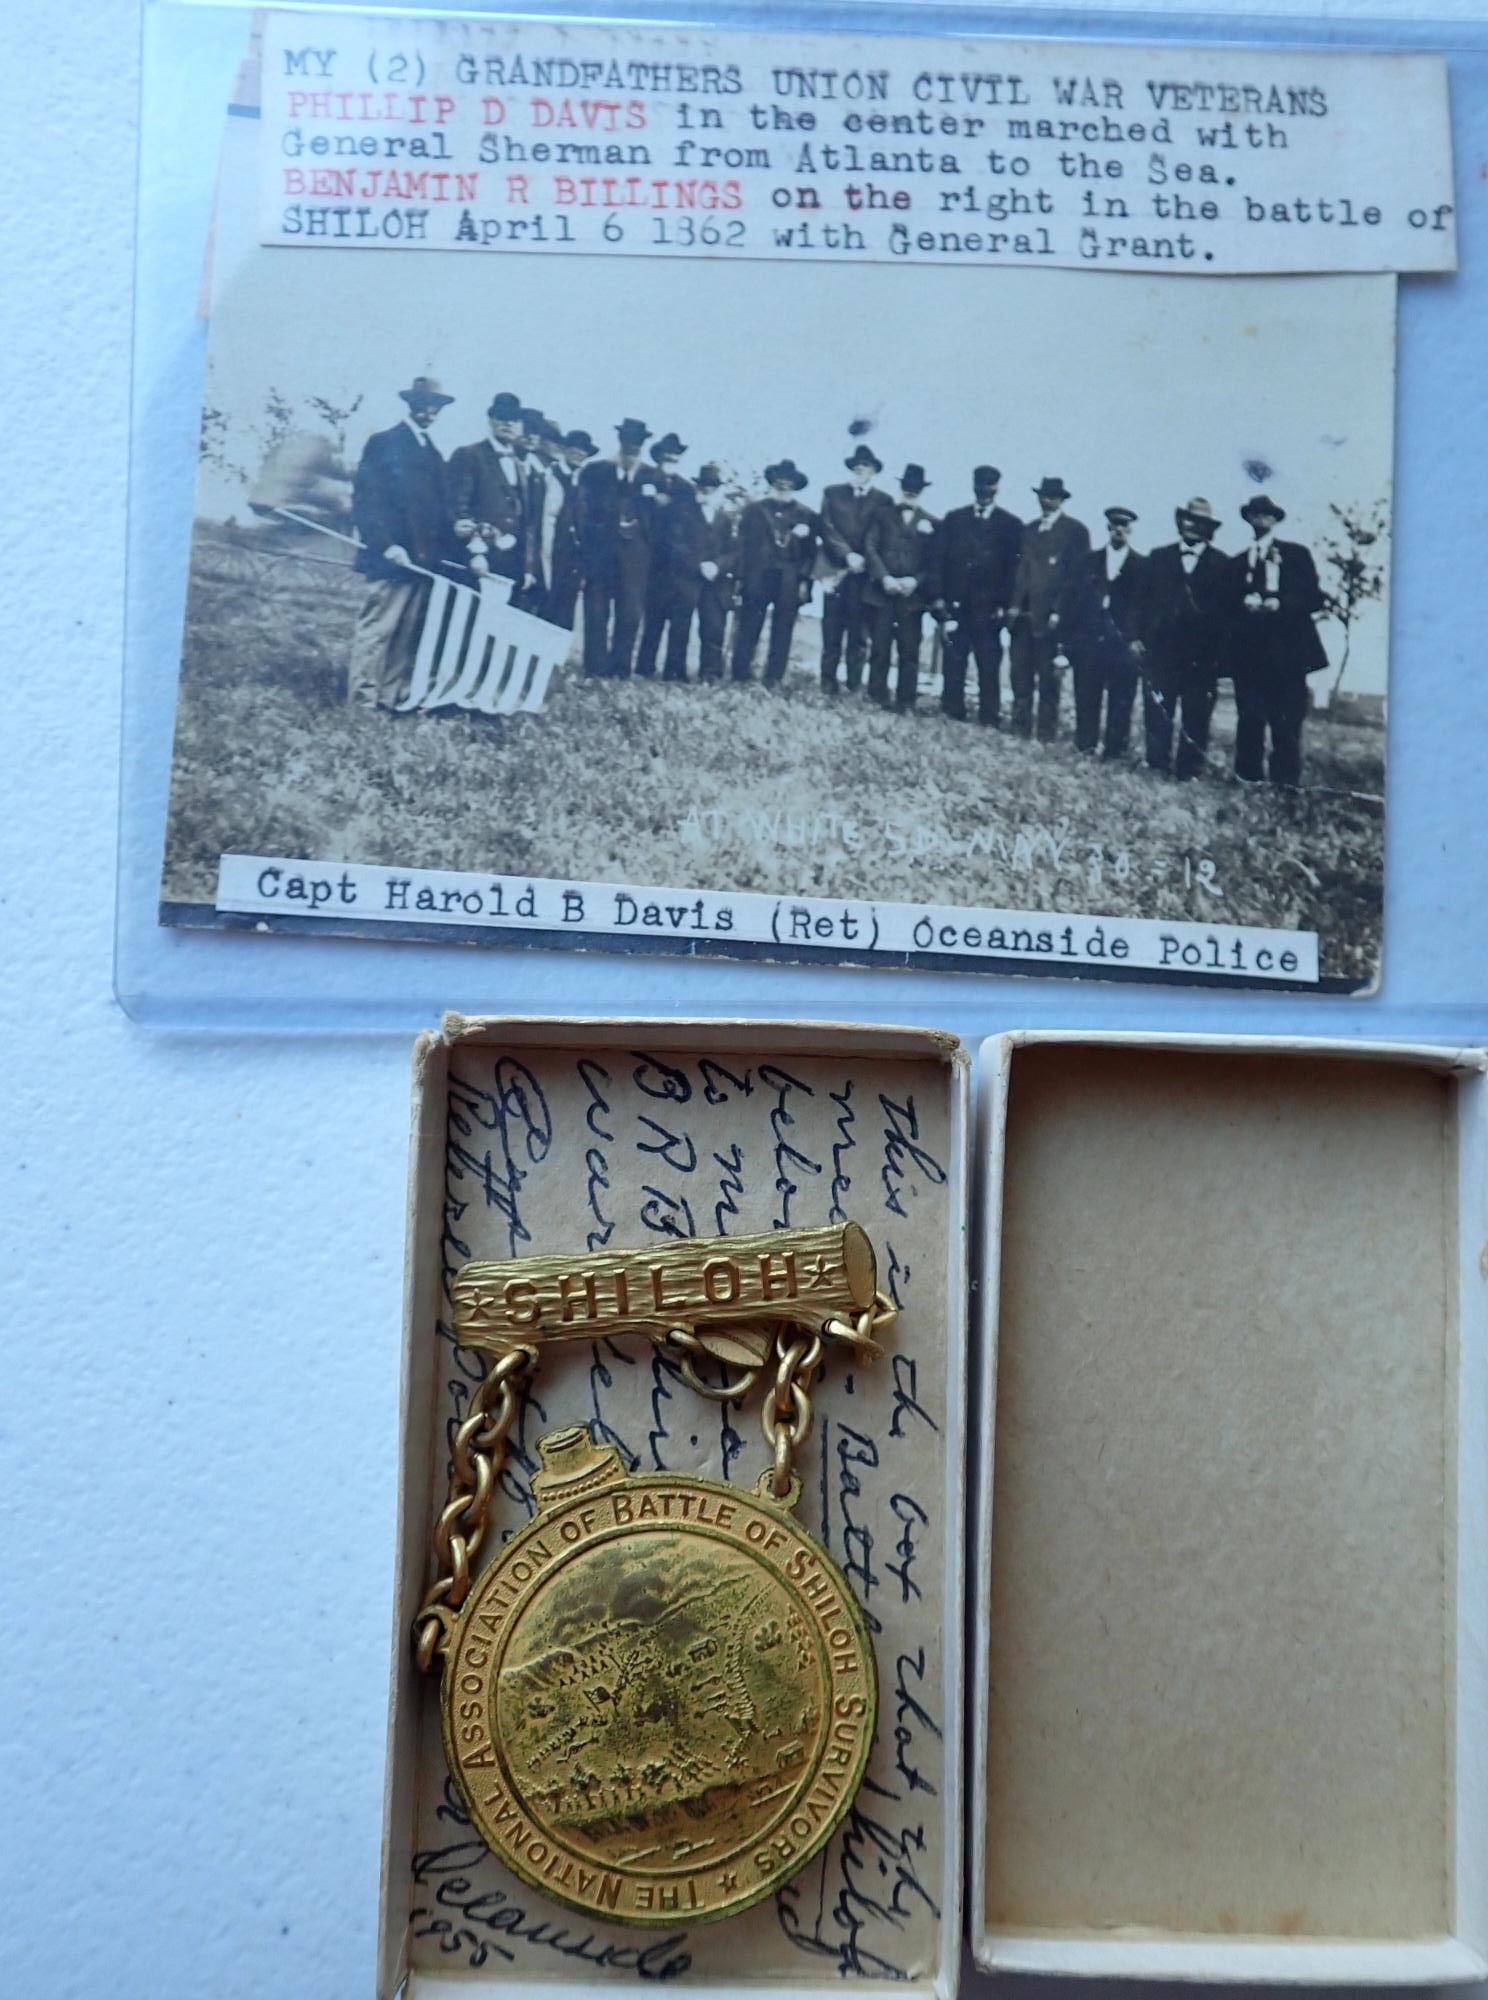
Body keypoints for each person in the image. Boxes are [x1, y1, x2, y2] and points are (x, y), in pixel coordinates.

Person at [348, 374, 456, 709]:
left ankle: (389, 697)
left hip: (422, 563)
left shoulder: (435, 454)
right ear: (410, 404)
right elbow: (367, 501)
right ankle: (362, 699)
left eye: (435, 407)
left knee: (406, 634)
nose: (429, 412)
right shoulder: (384, 443)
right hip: (391, 558)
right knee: (378, 629)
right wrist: (386, 544)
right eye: (423, 405)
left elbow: (441, 515)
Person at [1229, 495, 1328, 785]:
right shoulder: (1237, 563)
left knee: (1286, 720)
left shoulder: (1296, 554)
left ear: (1275, 519)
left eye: (1267, 514)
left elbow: (1313, 597)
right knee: (1249, 717)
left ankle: (1285, 783)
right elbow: (1224, 604)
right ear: (1248, 518)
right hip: (1249, 654)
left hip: (1287, 654)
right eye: (1255, 514)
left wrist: (1282, 604)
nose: (1261, 518)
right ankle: (1248, 777)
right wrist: (1242, 602)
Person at [1142, 496, 1230, 778]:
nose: (1193, 526)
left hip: (1200, 657)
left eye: (1200, 523)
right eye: (1189, 520)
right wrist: (1140, 638)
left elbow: (1227, 616)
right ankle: (1157, 764)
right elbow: (1141, 603)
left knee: (1196, 714)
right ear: (1180, 522)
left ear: (1209, 529)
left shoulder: (1222, 564)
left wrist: (1218, 656)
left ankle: (1189, 770)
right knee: (1158, 710)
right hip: (1162, 652)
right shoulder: (1158, 557)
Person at [937, 465, 1022, 724]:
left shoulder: (1010, 524)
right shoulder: (954, 519)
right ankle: (952, 710)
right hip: (958, 604)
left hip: (989, 608)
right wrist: (941, 600)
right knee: (954, 659)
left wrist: (1004, 604)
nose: (985, 491)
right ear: (973, 487)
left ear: (997, 488)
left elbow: (1013, 568)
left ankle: (989, 714)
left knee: (988, 662)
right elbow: (939, 562)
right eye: (981, 485)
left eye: (990, 486)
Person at [1009, 476, 1091, 741]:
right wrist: (1013, 607)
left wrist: (1060, 611)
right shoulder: (1029, 530)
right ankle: (1019, 729)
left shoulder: (1075, 531)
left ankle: (1045, 734)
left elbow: (1076, 579)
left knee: (1048, 679)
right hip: (1024, 616)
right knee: (1020, 675)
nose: (1047, 502)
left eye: (1053, 497)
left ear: (1061, 500)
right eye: (1043, 496)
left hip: (1053, 618)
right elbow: (1020, 571)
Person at [575, 418, 657, 677]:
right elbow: (582, 511)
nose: (631, 451)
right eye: (627, 445)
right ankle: (595, 668)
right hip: (600, 553)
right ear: (620, 443)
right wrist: (588, 546)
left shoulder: (653, 477)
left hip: (636, 557)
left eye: (636, 446)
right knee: (596, 610)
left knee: (630, 613)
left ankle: (620, 668)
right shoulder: (595, 471)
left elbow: (661, 518)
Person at [732, 460, 818, 685]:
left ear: (794, 486)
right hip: (757, 574)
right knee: (749, 624)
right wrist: (740, 577)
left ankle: (773, 677)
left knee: (783, 628)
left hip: (788, 577)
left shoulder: (806, 514)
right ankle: (740, 673)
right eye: (779, 482)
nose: (783, 487)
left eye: (788, 484)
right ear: (772, 483)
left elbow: (811, 553)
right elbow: (742, 545)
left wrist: (804, 581)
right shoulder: (755, 510)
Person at [1074, 506, 1149, 758]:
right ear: (1108, 527)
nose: (1119, 529)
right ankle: (1085, 745)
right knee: (1086, 694)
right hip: (1090, 639)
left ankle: (1115, 751)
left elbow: (1143, 606)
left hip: (1122, 643)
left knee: (1121, 698)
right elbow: (1076, 599)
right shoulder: (1089, 560)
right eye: (1115, 524)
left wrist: (1136, 638)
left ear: (1131, 530)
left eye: (1124, 525)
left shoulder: (1141, 565)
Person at [865, 464, 940, 711]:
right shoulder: (882, 514)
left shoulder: (931, 522)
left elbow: (934, 562)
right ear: (901, 487)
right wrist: (884, 577)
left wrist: (915, 581)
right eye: (907, 487)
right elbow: (871, 547)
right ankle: (876, 697)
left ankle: (905, 702)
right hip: (882, 593)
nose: (911, 492)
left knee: (909, 651)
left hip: (912, 598)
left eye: (916, 489)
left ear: (922, 490)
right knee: (879, 647)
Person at [818, 444, 890, 695]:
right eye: (857, 465)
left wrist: (863, 559)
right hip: (835, 572)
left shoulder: (884, 501)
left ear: (873, 471)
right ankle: (827, 683)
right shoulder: (832, 493)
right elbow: (826, 527)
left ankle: (853, 683)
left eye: (866, 466)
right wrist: (846, 554)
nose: (861, 469)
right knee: (831, 630)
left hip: (864, 577)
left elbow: (879, 534)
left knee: (859, 633)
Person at [658, 463, 738, 681]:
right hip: (686, 578)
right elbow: (675, 544)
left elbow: (732, 551)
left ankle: (710, 674)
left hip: (715, 581)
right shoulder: (682, 512)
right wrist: (699, 565)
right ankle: (674, 673)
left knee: (713, 627)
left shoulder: (724, 518)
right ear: (697, 487)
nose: (707, 490)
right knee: (680, 626)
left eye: (712, 486)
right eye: (704, 486)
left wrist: (718, 566)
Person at [445, 390, 529, 592]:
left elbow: (525, 519)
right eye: (501, 417)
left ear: (521, 426)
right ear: (491, 420)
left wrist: (527, 567)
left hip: (509, 563)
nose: (508, 423)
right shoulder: (469, 455)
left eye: (514, 419)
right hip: (477, 561)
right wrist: (476, 553)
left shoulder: (520, 465)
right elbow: (458, 508)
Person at [634, 433, 691, 677]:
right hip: (649, 558)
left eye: (675, 455)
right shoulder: (643, 478)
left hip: (677, 562)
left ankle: (674, 670)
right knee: (652, 616)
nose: (671, 458)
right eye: (667, 454)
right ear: (658, 456)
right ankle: (644, 667)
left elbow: (689, 522)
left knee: (678, 620)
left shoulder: (686, 488)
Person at [543, 428, 597, 632]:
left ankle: (557, 655)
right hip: (551, 547)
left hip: (574, 555)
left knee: (567, 606)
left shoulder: (584, 482)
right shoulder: (550, 475)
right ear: (565, 449)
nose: (580, 454)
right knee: (547, 599)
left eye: (584, 451)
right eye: (576, 449)